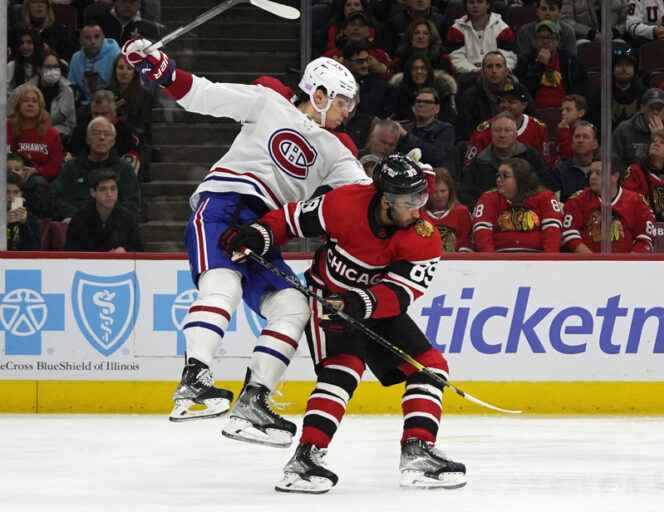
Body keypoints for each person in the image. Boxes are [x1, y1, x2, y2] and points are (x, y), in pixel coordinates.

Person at [121, 40, 370, 444]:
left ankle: (254, 402)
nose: (348, 112)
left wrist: (405, 182)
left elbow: (366, 198)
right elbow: (202, 94)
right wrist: (161, 68)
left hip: (262, 232)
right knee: (224, 284)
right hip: (222, 205)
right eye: (343, 101)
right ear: (319, 94)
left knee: (293, 306)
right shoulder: (268, 103)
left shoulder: (336, 150)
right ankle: (195, 380)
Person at [219, 154, 466, 493]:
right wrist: (258, 234)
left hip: (371, 305)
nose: (418, 209)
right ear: (387, 200)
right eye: (411, 201)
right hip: (327, 300)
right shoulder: (345, 203)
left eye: (420, 198)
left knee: (430, 366)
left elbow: (401, 292)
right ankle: (305, 458)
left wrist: (356, 302)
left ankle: (418, 450)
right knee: (343, 370)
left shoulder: (424, 236)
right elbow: (292, 220)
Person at [53, 115, 140, 220]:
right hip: (77, 222)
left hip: (113, 225)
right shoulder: (71, 167)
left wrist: (107, 218)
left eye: (107, 134)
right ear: (88, 140)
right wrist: (80, 217)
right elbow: (57, 199)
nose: (101, 138)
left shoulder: (125, 169)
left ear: (113, 142)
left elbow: (132, 203)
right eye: (96, 133)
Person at [561, 159, 655, 253]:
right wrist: (592, 261)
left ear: (614, 176)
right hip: (586, 265)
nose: (592, 177)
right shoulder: (578, 199)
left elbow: (645, 239)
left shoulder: (637, 201)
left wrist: (628, 264)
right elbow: (570, 234)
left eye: (598, 173)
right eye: (591, 172)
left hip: (626, 265)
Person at [460, 112, 551, 207]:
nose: (502, 135)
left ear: (515, 134)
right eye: (497, 130)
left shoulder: (530, 156)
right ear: (491, 134)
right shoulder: (478, 162)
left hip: (528, 210)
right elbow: (467, 195)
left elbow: (544, 185)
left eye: (507, 130)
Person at [473, 158, 563, 252]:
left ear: (521, 178)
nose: (499, 180)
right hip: (499, 260)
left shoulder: (545, 197)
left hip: (538, 260)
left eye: (505, 176)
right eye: (498, 176)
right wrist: (491, 262)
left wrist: (548, 262)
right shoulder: (488, 198)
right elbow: (482, 232)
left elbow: (552, 232)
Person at [464, 85, 548, 166]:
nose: (505, 105)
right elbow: (469, 165)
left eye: (511, 102)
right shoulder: (484, 131)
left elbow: (546, 163)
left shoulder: (538, 128)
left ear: (524, 105)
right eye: (502, 101)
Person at [457, 50, 530, 140]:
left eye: (498, 66)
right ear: (482, 72)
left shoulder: (520, 91)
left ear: (507, 71)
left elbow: (531, 121)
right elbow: (467, 132)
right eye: (489, 67)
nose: (494, 71)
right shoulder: (470, 96)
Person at [65, 170, 144, 252]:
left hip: (118, 264)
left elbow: (139, 249)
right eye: (103, 189)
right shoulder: (79, 219)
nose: (109, 194)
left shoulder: (128, 218)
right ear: (93, 193)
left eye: (113, 189)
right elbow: (71, 251)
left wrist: (125, 250)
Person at [518, 20, 587, 110]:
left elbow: (580, 91)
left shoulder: (570, 61)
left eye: (550, 38)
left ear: (558, 41)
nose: (545, 41)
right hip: (535, 112)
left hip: (565, 112)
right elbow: (523, 90)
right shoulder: (526, 60)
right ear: (535, 41)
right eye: (541, 38)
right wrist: (540, 65)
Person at [623, 130, 664, 223]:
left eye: (662, 143)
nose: (656, 144)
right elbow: (629, 200)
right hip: (643, 222)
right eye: (654, 141)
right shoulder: (635, 171)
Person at [612, 88, 664, 169]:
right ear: (642, 108)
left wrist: (661, 136)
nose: (655, 112)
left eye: (659, 108)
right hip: (632, 177)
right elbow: (614, 162)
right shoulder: (624, 129)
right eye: (652, 108)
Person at [7, 83, 65, 182]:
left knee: (37, 181)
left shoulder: (51, 134)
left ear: (40, 107)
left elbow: (55, 166)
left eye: (34, 101)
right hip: (10, 176)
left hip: (39, 178)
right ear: (18, 105)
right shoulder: (7, 128)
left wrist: (36, 171)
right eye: (25, 101)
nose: (30, 104)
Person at [446, 0, 517, 77]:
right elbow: (456, 59)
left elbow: (509, 57)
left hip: (498, 76)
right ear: (466, 5)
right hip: (467, 76)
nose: (475, 6)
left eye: (480, 2)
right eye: (471, 2)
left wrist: (493, 72)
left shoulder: (502, 29)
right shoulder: (456, 29)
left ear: (488, 5)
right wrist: (477, 72)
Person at [588, 45, 647, 129]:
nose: (624, 69)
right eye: (619, 65)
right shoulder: (600, 94)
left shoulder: (643, 94)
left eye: (628, 65)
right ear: (612, 69)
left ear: (635, 69)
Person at [22, 50, 76, 142]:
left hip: (56, 139)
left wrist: (50, 133)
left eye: (56, 67)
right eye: (48, 67)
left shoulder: (67, 91)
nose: (53, 71)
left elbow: (70, 125)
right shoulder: (25, 90)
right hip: (28, 139)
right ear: (39, 69)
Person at [390, 55, 458, 125]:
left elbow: (449, 117)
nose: (419, 71)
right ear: (408, 72)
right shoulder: (400, 92)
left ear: (428, 71)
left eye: (423, 68)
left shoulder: (441, 91)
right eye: (414, 68)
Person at [395, 87, 454, 167]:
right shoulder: (404, 127)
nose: (421, 104)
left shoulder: (445, 129)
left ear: (437, 108)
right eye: (418, 101)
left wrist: (406, 136)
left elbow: (437, 156)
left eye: (427, 102)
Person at [68, 21, 121, 108]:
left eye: (97, 37)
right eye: (87, 38)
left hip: (112, 104)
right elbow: (72, 86)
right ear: (80, 41)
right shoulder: (76, 58)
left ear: (103, 38)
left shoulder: (116, 55)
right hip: (85, 104)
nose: (93, 41)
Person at [421, 167, 472, 252]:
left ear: (450, 191)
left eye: (443, 191)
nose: (439, 196)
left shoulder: (461, 212)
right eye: (434, 192)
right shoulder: (420, 214)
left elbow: (466, 242)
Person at [550, 120, 599, 202]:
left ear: (595, 144)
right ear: (572, 143)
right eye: (577, 137)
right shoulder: (559, 172)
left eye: (586, 137)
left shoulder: (604, 171)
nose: (580, 140)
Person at [388, 19, 453, 75]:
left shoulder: (443, 61)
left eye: (425, 33)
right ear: (410, 37)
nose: (420, 37)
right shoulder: (399, 62)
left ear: (431, 38)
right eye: (416, 33)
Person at [6, 173, 41, 251]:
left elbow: (35, 250)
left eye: (16, 192)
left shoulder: (31, 219)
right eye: (7, 192)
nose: (11, 197)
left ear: (21, 194)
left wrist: (24, 225)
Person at [555, 93, 588, 163]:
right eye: (562, 110)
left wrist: (563, 131)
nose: (563, 113)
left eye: (568, 110)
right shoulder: (563, 127)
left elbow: (569, 156)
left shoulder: (587, 131)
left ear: (581, 113)